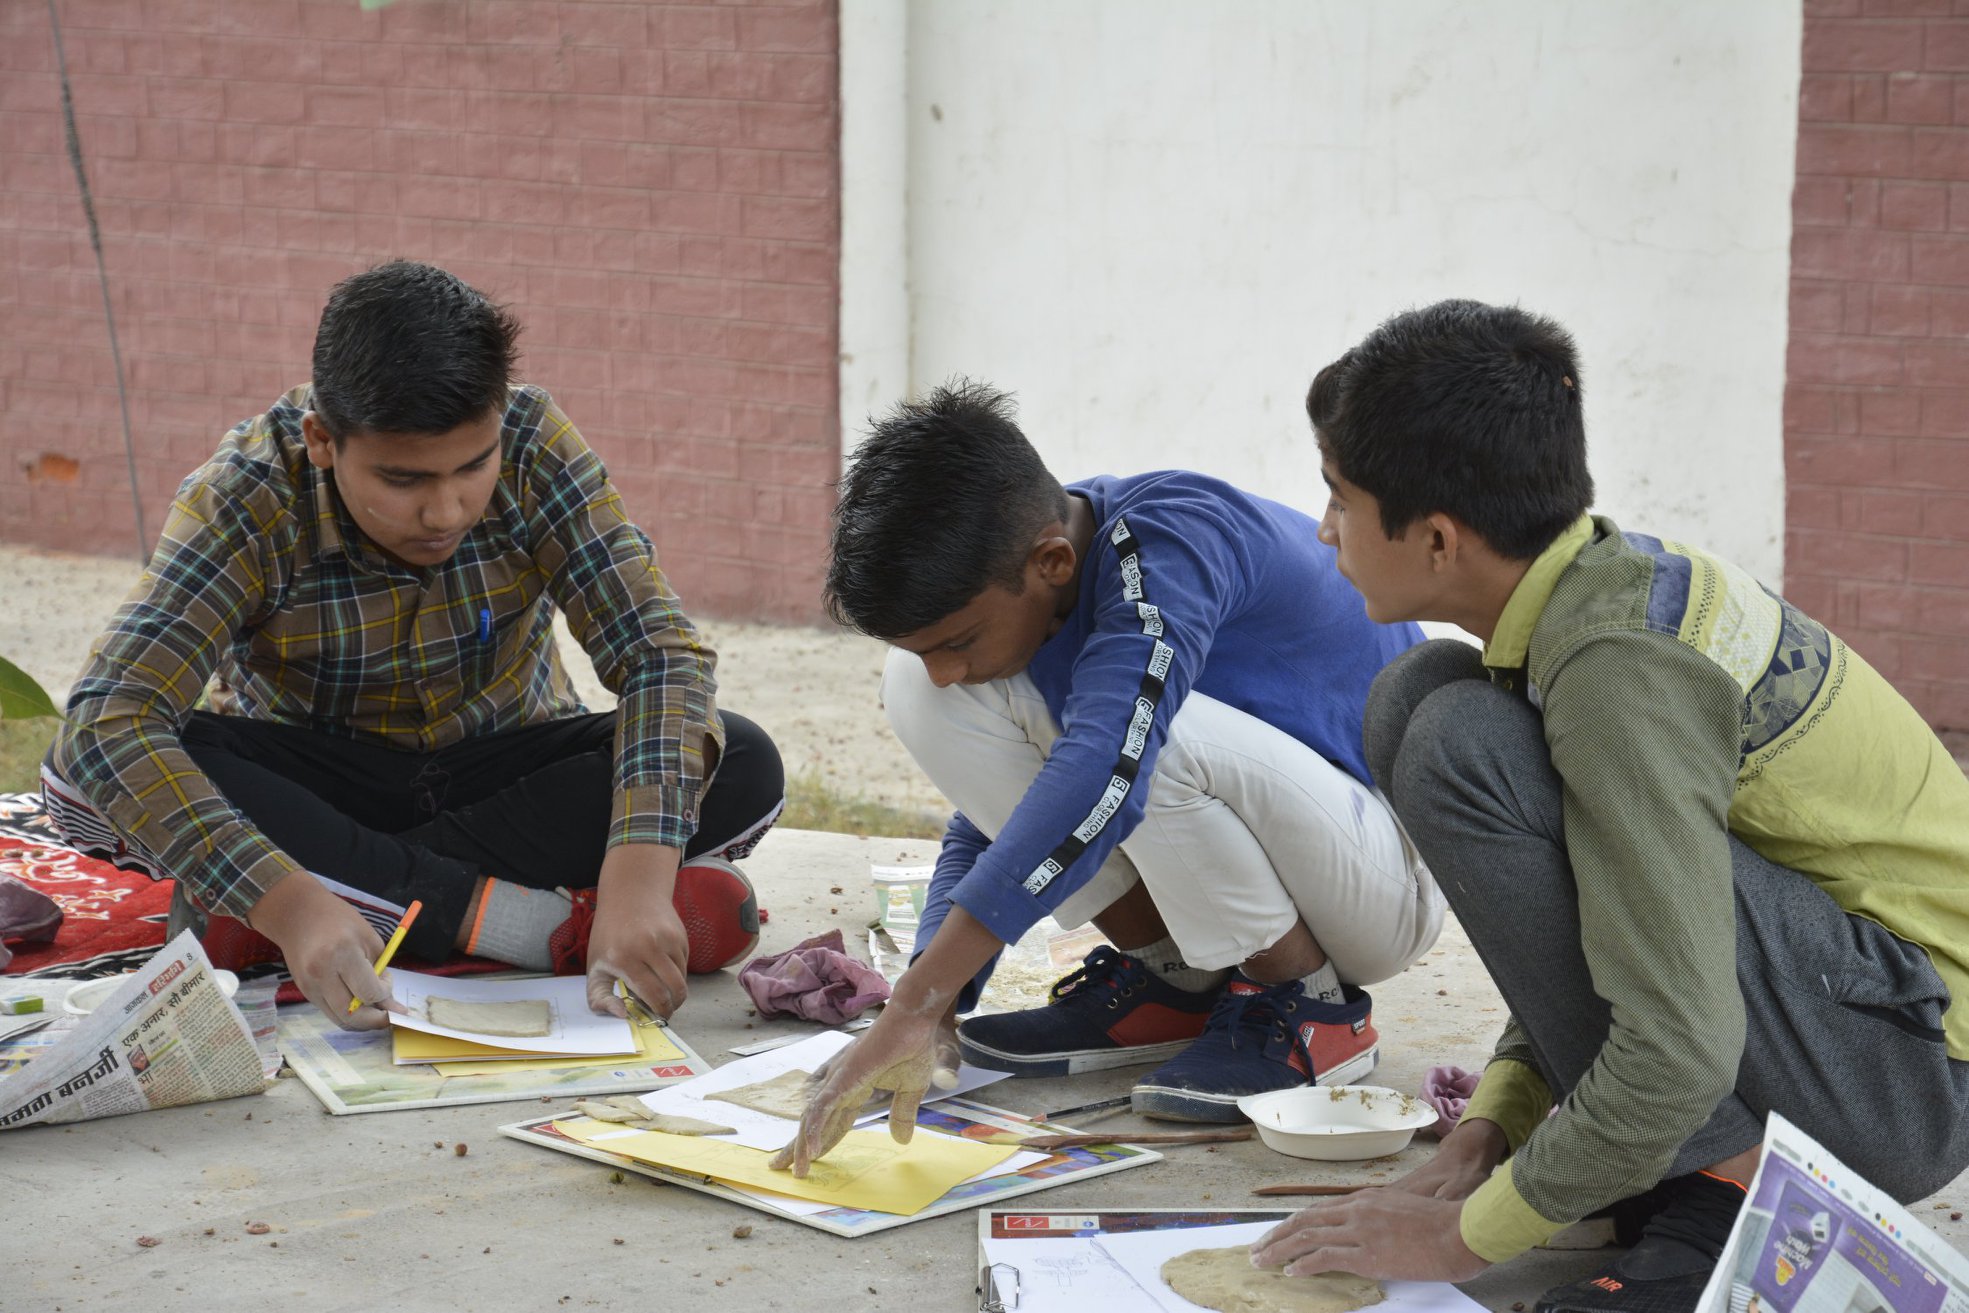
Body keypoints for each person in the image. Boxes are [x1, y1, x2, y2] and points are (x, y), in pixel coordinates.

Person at [1251, 300, 1969, 1313]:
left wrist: (1463, 1236)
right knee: (1421, 697)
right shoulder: (1583, 597)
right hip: (1848, 1021)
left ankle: (1724, 1191)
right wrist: (1486, 1133)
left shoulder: (1613, 671)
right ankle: (1681, 1162)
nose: (1324, 527)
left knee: (1458, 740)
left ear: (1440, 537)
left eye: (1339, 497)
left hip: (1907, 1080)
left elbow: (1679, 1047)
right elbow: (1617, 919)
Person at [43, 261, 784, 1029]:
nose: (445, 511)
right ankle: (532, 926)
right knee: (79, 774)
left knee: (743, 759)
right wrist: (292, 904)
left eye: (473, 466)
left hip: (501, 773)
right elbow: (107, 720)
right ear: (322, 440)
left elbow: (660, 656)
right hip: (318, 780)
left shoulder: (534, 442)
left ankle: (325, 899)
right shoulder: (248, 494)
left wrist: (636, 882)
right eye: (403, 480)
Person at [770, 380, 1442, 1175]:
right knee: (920, 690)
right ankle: (1174, 982)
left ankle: (1304, 1007)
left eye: (958, 640)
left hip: (1385, 876)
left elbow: (1100, 770)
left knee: (1145, 738)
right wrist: (934, 998)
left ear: (1051, 561)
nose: (947, 668)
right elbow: (1001, 815)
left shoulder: (1170, 543)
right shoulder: (1031, 568)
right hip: (1288, 847)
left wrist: (915, 1002)